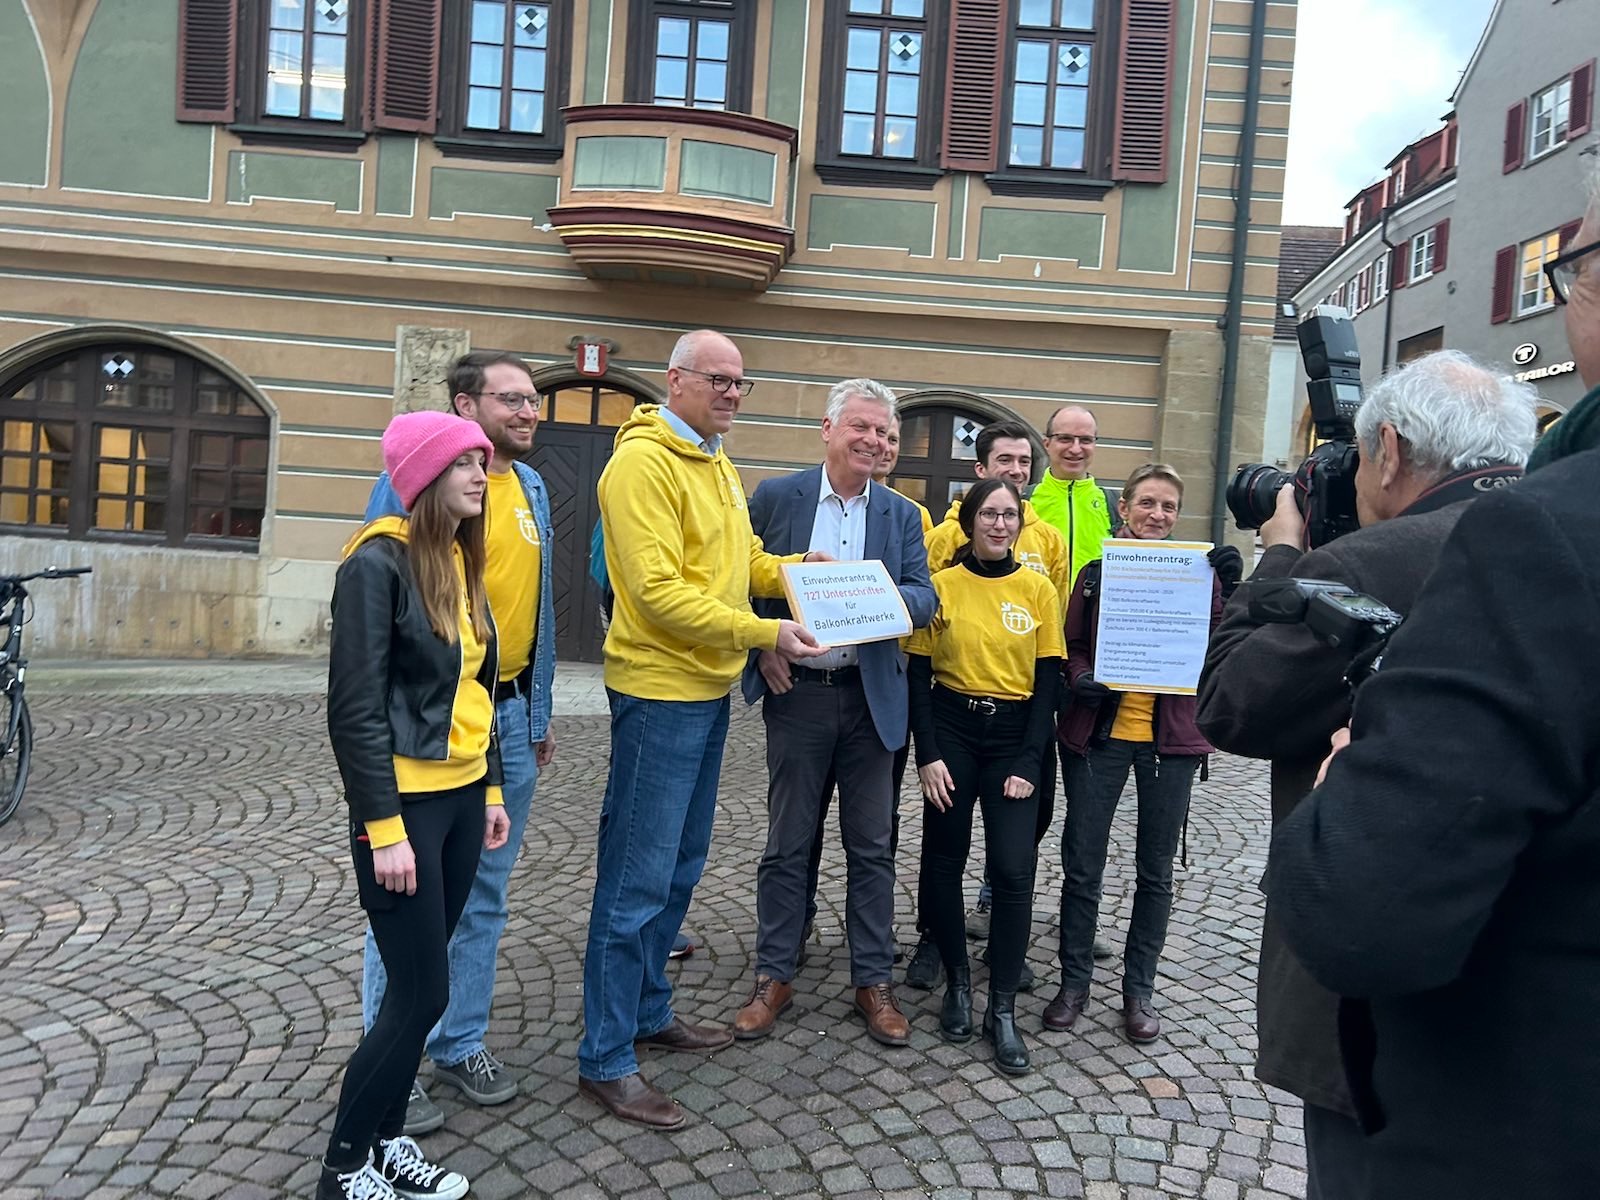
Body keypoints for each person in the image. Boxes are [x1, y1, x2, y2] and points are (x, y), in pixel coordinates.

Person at [1263, 178, 1600, 1200]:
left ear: (1390, 451)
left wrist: (1283, 564)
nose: (1565, 296)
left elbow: (1364, 904)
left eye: (1573, 271)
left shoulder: (1542, 536)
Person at [1194, 350, 1535, 1198]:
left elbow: (1232, 703)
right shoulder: (1555, 537)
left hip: (1373, 979)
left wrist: (1280, 553)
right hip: (1527, 978)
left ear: (1388, 449)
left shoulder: (1371, 564)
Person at [578, 330, 827, 1129]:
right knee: (635, 880)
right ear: (676, 381)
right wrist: (764, 634)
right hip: (658, 693)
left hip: (705, 690)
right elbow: (653, 595)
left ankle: (650, 1009)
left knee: (679, 868)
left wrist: (793, 573)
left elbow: (740, 560)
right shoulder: (642, 464)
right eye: (718, 380)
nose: (730, 393)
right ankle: (606, 1057)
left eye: (741, 383)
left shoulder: (713, 458)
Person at [361, 352, 557, 1133]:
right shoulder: (409, 486)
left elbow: (531, 611)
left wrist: (535, 717)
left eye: (534, 401)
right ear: (464, 404)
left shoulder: (533, 487)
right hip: (427, 723)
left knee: (485, 895)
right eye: (512, 399)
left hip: (505, 718)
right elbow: (382, 606)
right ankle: (393, 1057)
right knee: (409, 903)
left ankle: (459, 1041)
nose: (530, 412)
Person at [320, 411, 511, 1200]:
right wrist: (385, 829)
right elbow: (354, 712)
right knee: (421, 993)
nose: (480, 474)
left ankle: (389, 1141)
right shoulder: (377, 565)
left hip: (463, 799)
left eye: (483, 462)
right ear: (425, 476)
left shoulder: (459, 562)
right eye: (465, 462)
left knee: (423, 987)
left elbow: (479, 687)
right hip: (404, 811)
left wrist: (492, 787)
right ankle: (342, 1168)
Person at [731, 379, 936, 1046]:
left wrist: (878, 600)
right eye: (864, 428)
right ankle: (776, 970)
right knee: (788, 844)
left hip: (871, 696)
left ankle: (873, 981)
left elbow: (924, 598)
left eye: (887, 434)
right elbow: (743, 582)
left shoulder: (903, 515)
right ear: (828, 428)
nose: (875, 442)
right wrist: (763, 647)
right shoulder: (777, 498)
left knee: (872, 847)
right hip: (800, 696)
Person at [1046, 464, 1221, 1045]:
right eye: (1147, 503)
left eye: (1169, 506)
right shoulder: (1097, 574)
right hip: (1102, 734)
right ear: (1124, 508)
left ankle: (1138, 989)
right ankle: (1074, 983)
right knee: (1084, 862)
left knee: (1155, 872)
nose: (1158, 515)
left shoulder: (1201, 577)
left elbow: (1221, 645)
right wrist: (1083, 675)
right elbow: (1068, 643)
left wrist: (1232, 592)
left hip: (1169, 742)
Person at [905, 421, 1070, 988]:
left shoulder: (1046, 546)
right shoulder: (942, 553)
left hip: (1019, 721)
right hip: (954, 716)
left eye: (1025, 462)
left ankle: (1004, 949)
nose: (1016, 471)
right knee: (944, 849)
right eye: (1005, 460)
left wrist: (1033, 748)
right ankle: (938, 943)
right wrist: (924, 746)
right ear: (980, 471)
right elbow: (923, 644)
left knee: (1016, 850)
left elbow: (1053, 645)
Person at [1029, 404, 1115, 591]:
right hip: (1034, 615)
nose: (1076, 449)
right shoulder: (1024, 502)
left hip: (1090, 618)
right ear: (1047, 444)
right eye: (1065, 439)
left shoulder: (1114, 505)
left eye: (1085, 440)